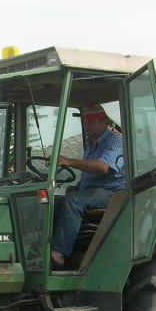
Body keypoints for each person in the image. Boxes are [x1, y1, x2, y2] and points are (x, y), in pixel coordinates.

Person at [50, 103, 126, 268]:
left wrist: (69, 161)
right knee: (51, 204)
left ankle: (59, 253)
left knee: (74, 201)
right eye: (85, 121)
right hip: (93, 191)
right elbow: (90, 172)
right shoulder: (91, 143)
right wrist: (78, 186)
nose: (87, 125)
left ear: (103, 121)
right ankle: (43, 248)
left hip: (113, 193)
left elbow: (102, 167)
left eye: (91, 121)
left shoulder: (115, 142)